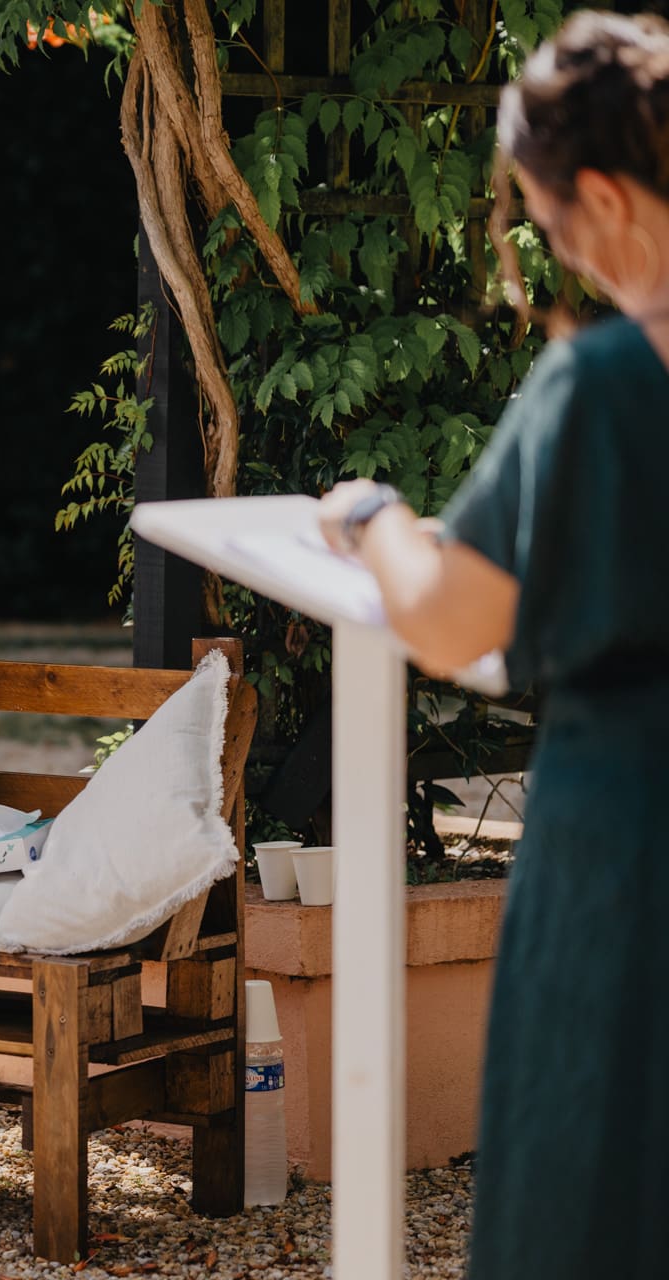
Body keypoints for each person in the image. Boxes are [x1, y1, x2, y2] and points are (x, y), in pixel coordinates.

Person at [317, 14, 669, 1277]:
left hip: (630, 836)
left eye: (551, 215)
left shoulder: (614, 381)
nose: (553, 247)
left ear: (610, 198)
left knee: (600, 1176)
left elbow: (455, 613)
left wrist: (372, 519)